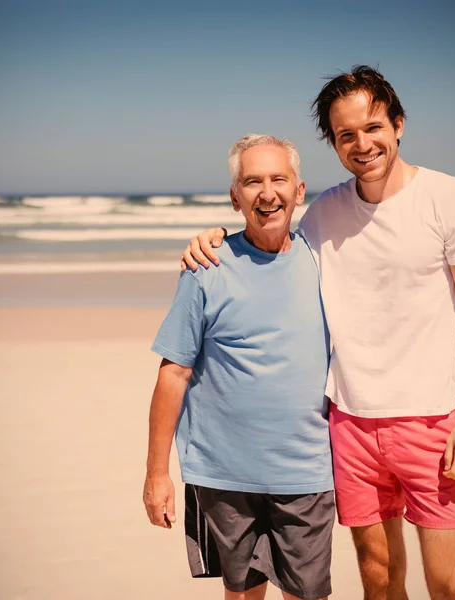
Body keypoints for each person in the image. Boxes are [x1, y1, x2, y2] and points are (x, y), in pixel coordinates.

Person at [181, 66, 455, 600]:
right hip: (348, 425)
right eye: (345, 134)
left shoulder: (451, 198)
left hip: (434, 422)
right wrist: (215, 238)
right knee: (378, 579)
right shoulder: (324, 214)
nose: (363, 143)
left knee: (451, 586)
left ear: (398, 124)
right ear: (334, 143)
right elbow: (270, 240)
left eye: (373, 126)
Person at [143, 134, 335, 600]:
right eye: (252, 182)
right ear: (235, 197)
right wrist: (156, 473)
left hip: (306, 472)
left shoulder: (327, 261)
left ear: (299, 190)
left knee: (308, 595)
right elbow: (174, 372)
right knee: (243, 593)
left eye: (278, 179)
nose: (267, 193)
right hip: (222, 473)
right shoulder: (206, 267)